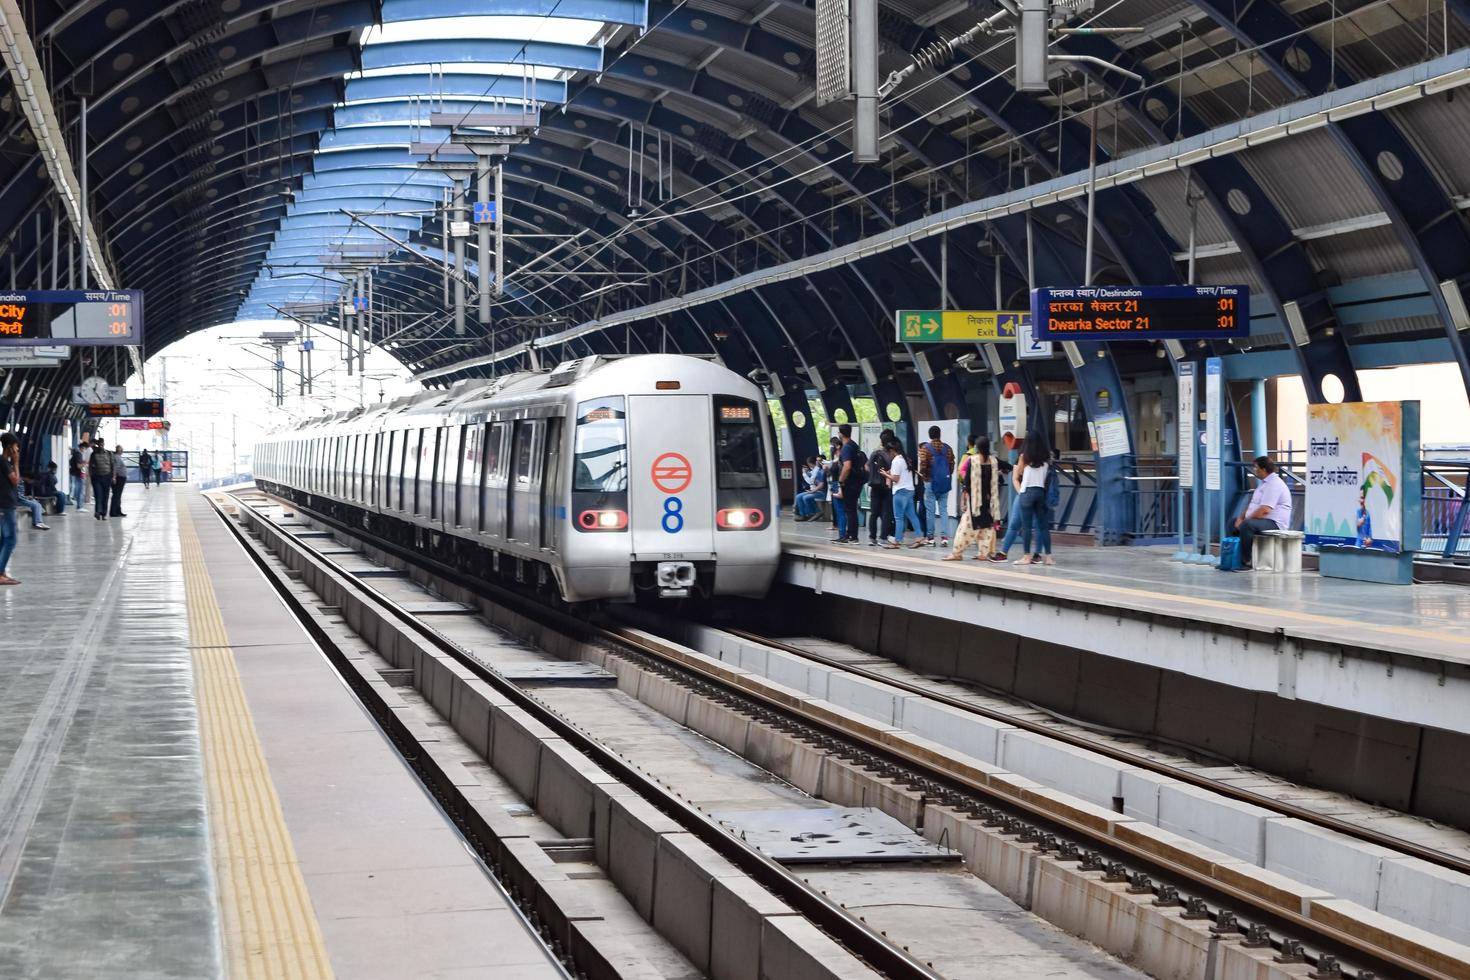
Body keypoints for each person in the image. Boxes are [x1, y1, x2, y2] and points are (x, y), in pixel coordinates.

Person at [944, 436, 1002, 561]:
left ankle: (957, 553)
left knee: (965, 527)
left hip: (975, 501)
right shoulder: (993, 460)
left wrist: (964, 498)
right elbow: (1006, 466)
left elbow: (966, 482)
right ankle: (984, 552)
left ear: (977, 447)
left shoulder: (973, 460)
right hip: (989, 501)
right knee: (986, 527)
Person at [1234, 456, 1292, 569]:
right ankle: (1232, 557)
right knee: (1233, 523)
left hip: (1275, 523)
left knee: (1247, 525)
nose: (1254, 470)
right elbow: (1254, 505)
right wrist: (1241, 517)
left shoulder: (1274, 484)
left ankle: (1246, 561)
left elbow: (1264, 510)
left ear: (1264, 469)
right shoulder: (1264, 483)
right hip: (1263, 520)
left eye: (1256, 468)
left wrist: (1245, 520)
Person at [882, 436, 926, 549]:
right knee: (912, 515)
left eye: (888, 452)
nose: (888, 455)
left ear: (892, 451)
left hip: (900, 491)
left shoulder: (896, 461)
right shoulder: (905, 459)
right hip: (909, 490)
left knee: (899, 517)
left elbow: (895, 478)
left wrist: (885, 474)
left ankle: (897, 541)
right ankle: (919, 537)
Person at [918, 426, 956, 549]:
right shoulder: (948, 449)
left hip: (930, 482)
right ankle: (944, 538)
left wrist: (924, 476)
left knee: (930, 511)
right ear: (940, 434)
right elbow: (952, 465)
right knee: (943, 510)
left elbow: (923, 465)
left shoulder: (925, 449)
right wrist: (946, 475)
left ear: (930, 435)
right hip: (944, 482)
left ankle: (930, 538)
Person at [833, 424, 865, 544]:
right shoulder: (854, 445)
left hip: (850, 483)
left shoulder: (846, 448)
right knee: (851, 509)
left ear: (840, 434)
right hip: (856, 482)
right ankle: (850, 534)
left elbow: (847, 467)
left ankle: (852, 536)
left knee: (850, 510)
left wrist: (841, 481)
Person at [0, 433, 20, 585]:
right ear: (9, 447)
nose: (17, 449)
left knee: (3, 540)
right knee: (11, 539)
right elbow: (15, 481)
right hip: (6, 505)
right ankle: (0, 574)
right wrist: (16, 463)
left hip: (5, 504)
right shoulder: (4, 463)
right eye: (15, 446)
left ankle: (2, 572)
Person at [866, 439, 892, 546]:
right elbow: (891, 469)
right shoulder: (888, 455)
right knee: (886, 513)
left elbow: (866, 466)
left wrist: (873, 475)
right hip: (886, 486)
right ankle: (883, 538)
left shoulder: (874, 453)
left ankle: (872, 537)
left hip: (874, 485)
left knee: (874, 513)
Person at [89, 437, 115, 519]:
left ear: (104, 444)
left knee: (105, 496)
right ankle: (98, 511)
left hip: (107, 477)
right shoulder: (93, 454)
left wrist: (113, 477)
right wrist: (92, 476)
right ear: (97, 444)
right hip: (97, 477)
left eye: (102, 444)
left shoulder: (109, 453)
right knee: (98, 495)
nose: (100, 445)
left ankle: (103, 513)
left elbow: (112, 465)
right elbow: (90, 466)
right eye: (99, 444)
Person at [795, 456, 827, 521]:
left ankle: (814, 512)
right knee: (798, 497)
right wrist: (806, 473)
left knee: (806, 497)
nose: (818, 462)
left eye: (820, 460)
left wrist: (812, 491)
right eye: (817, 460)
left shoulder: (821, 471)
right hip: (815, 490)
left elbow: (820, 485)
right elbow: (812, 480)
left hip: (821, 492)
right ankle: (803, 515)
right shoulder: (815, 471)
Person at [110, 446, 130, 517]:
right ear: (119, 450)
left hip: (120, 477)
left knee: (118, 495)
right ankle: (113, 512)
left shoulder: (117, 457)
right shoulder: (117, 457)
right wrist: (114, 477)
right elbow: (116, 467)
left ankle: (118, 510)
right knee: (116, 495)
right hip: (119, 478)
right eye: (122, 449)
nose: (123, 450)